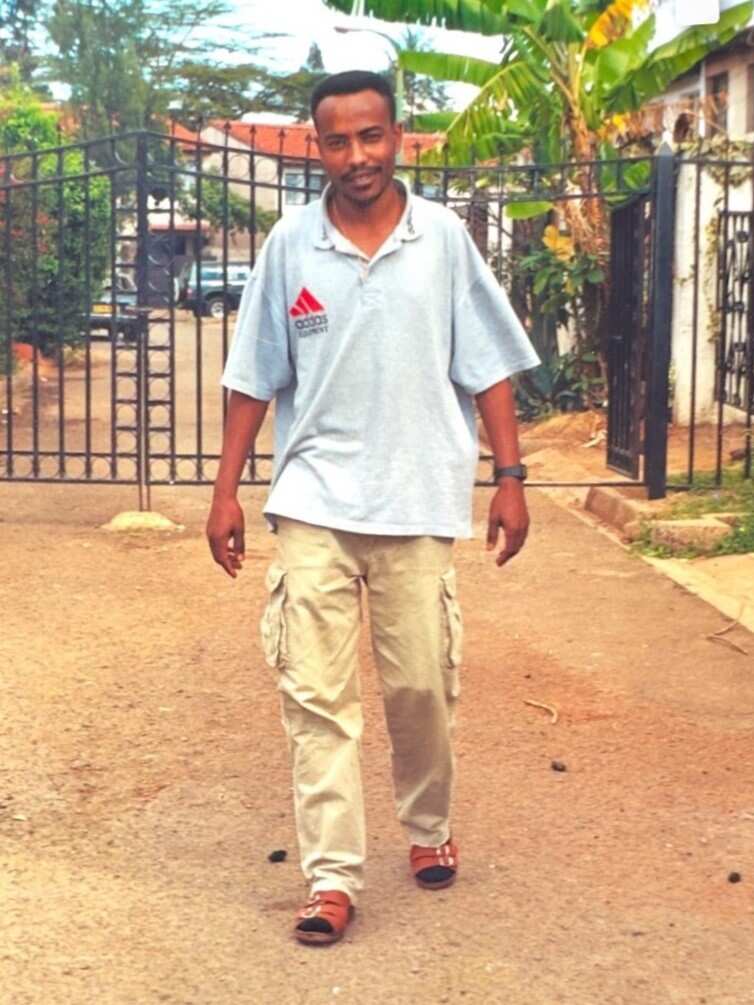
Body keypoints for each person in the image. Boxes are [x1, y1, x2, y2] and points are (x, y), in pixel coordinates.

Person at [206, 70, 539, 946]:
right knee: (317, 699)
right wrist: (225, 491)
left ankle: (427, 827)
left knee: (420, 686)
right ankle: (330, 877)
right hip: (313, 499)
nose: (357, 156)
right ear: (317, 146)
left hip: (419, 499)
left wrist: (510, 475)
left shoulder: (443, 240)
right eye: (338, 140)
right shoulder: (290, 246)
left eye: (372, 137)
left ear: (398, 136)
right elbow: (252, 378)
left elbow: (490, 364)